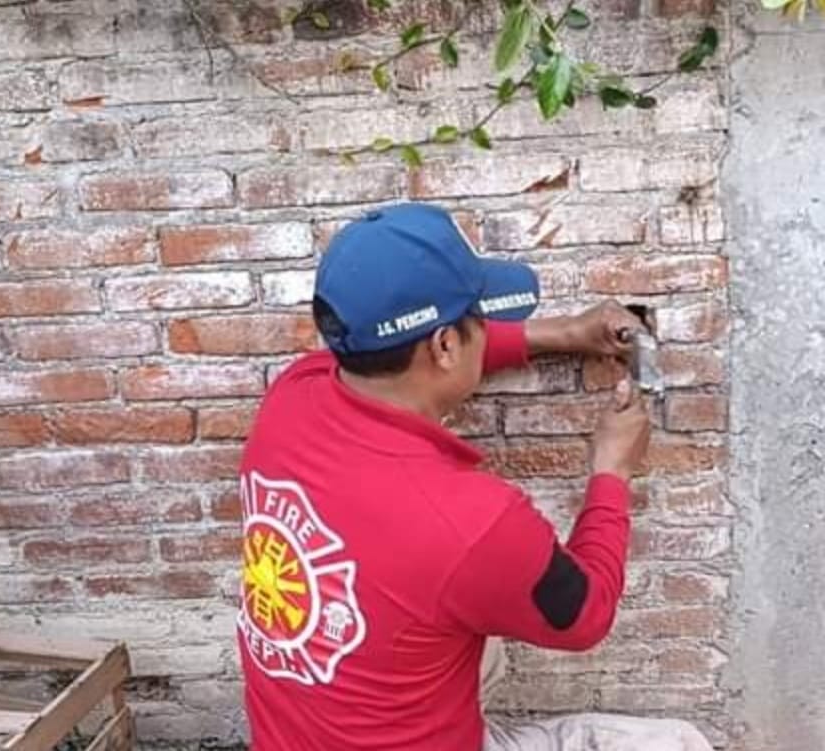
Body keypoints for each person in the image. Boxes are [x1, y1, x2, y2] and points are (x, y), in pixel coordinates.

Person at [235, 203, 713, 751]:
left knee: (467, 615)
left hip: (299, 732)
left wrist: (565, 332)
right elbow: (585, 615)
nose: (487, 330)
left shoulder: (295, 396)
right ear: (443, 345)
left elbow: (407, 363)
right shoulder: (471, 522)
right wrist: (612, 470)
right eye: (479, 321)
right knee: (680, 743)